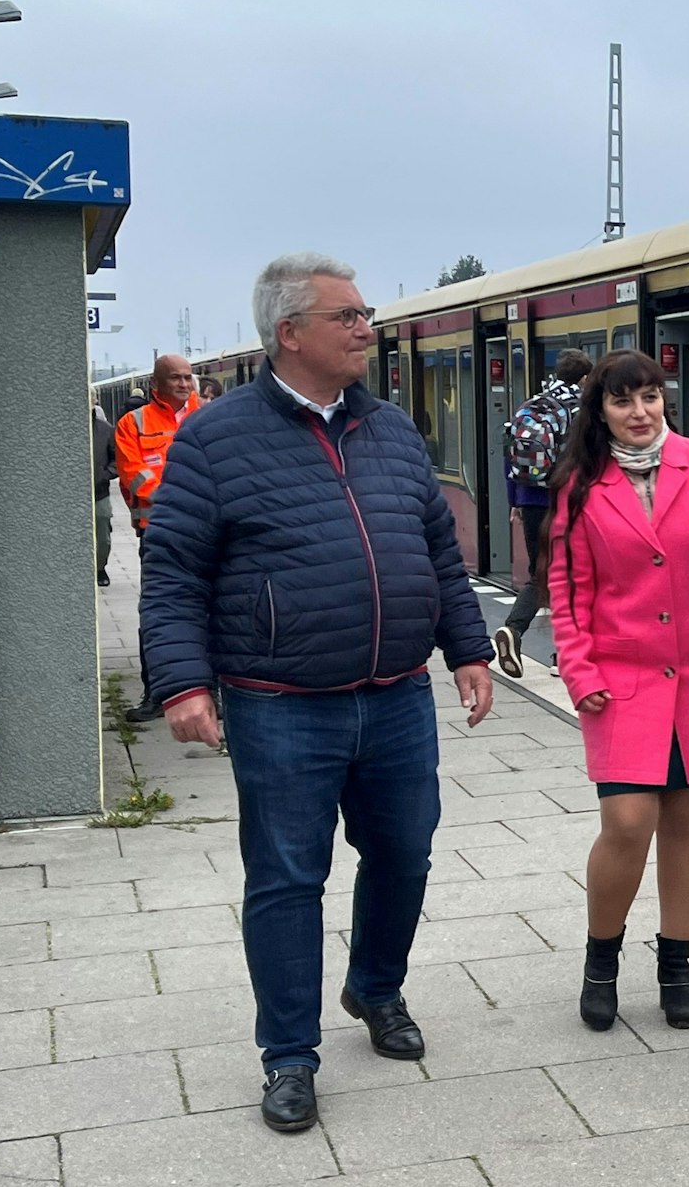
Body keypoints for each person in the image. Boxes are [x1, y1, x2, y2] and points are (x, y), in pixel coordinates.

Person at [140, 252, 495, 1134]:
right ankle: (289, 1056)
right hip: (279, 702)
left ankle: (376, 987)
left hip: (398, 695)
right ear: (289, 332)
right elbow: (173, 570)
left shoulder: (392, 429)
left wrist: (468, 648)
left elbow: (438, 553)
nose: (364, 326)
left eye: (364, 312)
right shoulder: (215, 438)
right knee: (289, 878)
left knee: (406, 852)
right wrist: (182, 680)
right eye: (347, 315)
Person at [547, 350, 689, 1034]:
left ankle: (676, 963)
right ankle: (600, 960)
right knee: (627, 823)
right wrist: (579, 669)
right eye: (624, 401)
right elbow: (567, 590)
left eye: (650, 396)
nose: (640, 412)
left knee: (685, 822)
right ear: (602, 411)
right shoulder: (581, 484)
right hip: (620, 679)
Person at [493, 348, 592, 678]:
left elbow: (511, 459)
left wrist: (515, 502)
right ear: (584, 378)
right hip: (568, 498)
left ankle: (514, 630)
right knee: (577, 575)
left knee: (542, 572)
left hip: (531, 500)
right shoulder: (582, 408)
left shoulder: (531, 406)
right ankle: (562, 654)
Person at [114, 354, 200, 721]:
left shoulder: (209, 417)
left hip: (206, 532)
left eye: (187, 377)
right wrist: (184, 497)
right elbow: (133, 475)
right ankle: (157, 694)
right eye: (175, 378)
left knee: (214, 611)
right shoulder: (132, 423)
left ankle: (213, 692)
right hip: (159, 533)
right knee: (157, 612)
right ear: (156, 385)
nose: (183, 384)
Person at [92, 402, 117, 587]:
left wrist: (105, 474)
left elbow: (117, 459)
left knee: (103, 538)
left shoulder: (106, 429)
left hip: (100, 492)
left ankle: (100, 568)